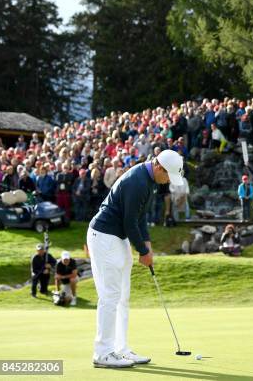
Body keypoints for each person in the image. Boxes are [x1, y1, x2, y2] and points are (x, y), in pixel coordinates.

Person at [87, 149, 184, 368]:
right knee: (110, 296)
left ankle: (121, 349)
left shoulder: (149, 181)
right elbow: (129, 221)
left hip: (117, 237)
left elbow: (140, 219)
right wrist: (142, 250)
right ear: (158, 167)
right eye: (167, 175)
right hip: (103, 236)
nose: (168, 180)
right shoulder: (138, 181)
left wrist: (147, 247)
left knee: (123, 297)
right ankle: (102, 352)